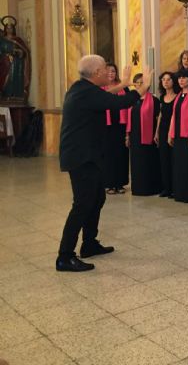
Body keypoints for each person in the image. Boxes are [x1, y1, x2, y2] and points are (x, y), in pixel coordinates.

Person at [57, 55, 151, 272]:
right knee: (82, 204)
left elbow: (104, 96)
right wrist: (141, 88)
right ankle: (64, 256)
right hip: (81, 157)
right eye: (104, 69)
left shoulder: (81, 88)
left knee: (97, 198)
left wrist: (124, 84)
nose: (107, 72)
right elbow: (118, 103)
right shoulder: (85, 92)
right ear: (96, 73)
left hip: (88, 155)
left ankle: (89, 243)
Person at [126, 73, 161, 196]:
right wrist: (127, 135)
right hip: (135, 135)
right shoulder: (131, 100)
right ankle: (138, 188)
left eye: (142, 82)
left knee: (149, 161)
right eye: (137, 82)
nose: (140, 85)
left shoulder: (154, 100)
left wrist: (157, 133)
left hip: (149, 135)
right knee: (136, 162)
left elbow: (158, 119)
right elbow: (128, 119)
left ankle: (150, 187)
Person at [168, 69, 188, 203]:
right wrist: (170, 134)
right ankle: (180, 193)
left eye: (184, 78)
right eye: (179, 78)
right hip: (178, 134)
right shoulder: (179, 96)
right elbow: (174, 116)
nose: (181, 80)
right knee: (179, 165)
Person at [102, 62, 129, 195]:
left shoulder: (124, 89)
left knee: (121, 154)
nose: (110, 74)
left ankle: (120, 183)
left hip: (120, 126)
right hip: (106, 126)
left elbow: (129, 106)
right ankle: (109, 183)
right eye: (108, 71)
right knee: (108, 155)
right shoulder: (100, 88)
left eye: (113, 71)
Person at [154, 71, 178, 198]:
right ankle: (166, 188)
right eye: (163, 79)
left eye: (168, 79)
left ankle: (175, 188)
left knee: (173, 159)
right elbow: (160, 116)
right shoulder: (161, 97)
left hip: (173, 130)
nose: (166, 82)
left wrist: (171, 132)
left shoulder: (178, 97)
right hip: (163, 130)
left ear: (173, 81)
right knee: (163, 159)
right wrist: (156, 132)